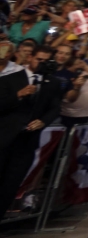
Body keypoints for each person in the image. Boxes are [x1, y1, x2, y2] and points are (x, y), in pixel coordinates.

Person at [0, 45, 62, 214]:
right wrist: (18, 95)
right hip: (4, 139)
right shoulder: (9, 79)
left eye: (47, 61)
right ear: (29, 58)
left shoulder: (53, 83)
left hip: (27, 141)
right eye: (39, 59)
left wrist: (43, 121)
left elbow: (55, 108)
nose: (42, 64)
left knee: (11, 183)